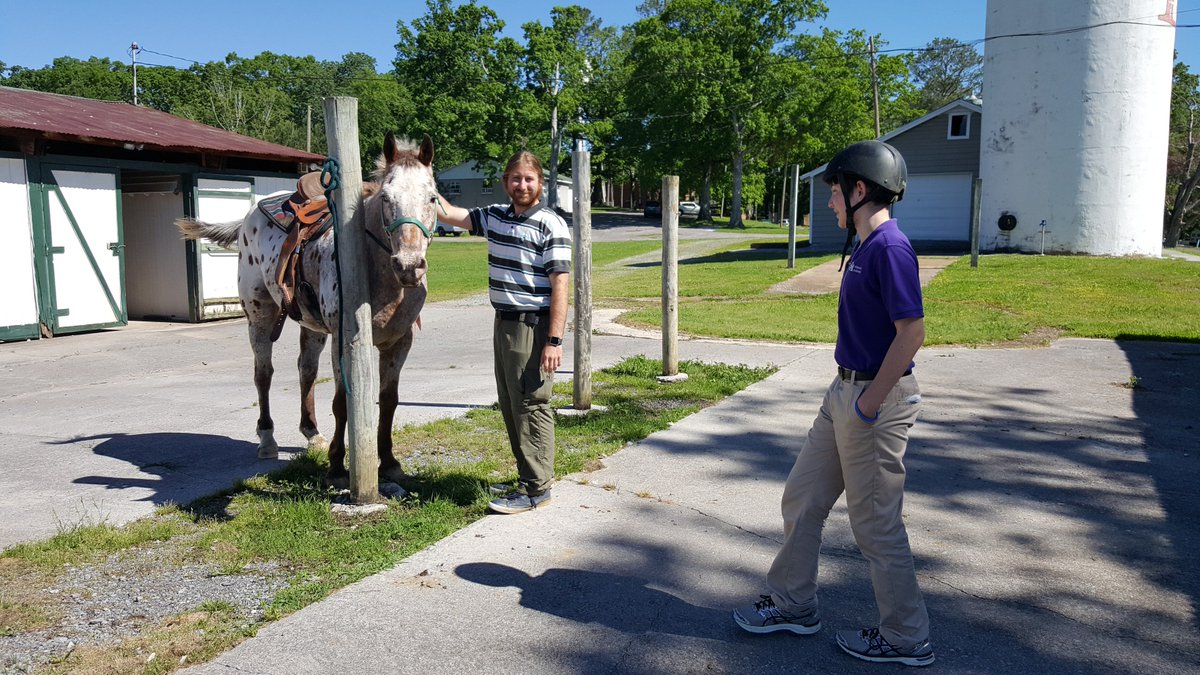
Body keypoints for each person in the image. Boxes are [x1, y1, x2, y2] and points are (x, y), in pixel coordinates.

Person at [732, 140, 934, 667]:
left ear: (859, 189)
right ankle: (794, 604)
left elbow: (910, 332)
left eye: (835, 193)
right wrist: (850, 396)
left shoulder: (890, 248)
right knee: (802, 496)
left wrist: (869, 401)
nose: (830, 204)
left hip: (876, 398)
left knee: (875, 524)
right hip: (843, 391)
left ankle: (907, 637)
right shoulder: (865, 246)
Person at [435, 151, 571, 515]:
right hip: (505, 324)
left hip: (534, 325)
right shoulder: (495, 216)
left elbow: (560, 285)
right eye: (515, 178)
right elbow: (449, 214)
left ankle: (535, 489)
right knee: (512, 406)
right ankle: (530, 476)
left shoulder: (551, 224)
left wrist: (554, 341)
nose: (522, 185)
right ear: (505, 181)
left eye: (529, 179)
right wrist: (421, 181)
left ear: (540, 183)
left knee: (531, 404)